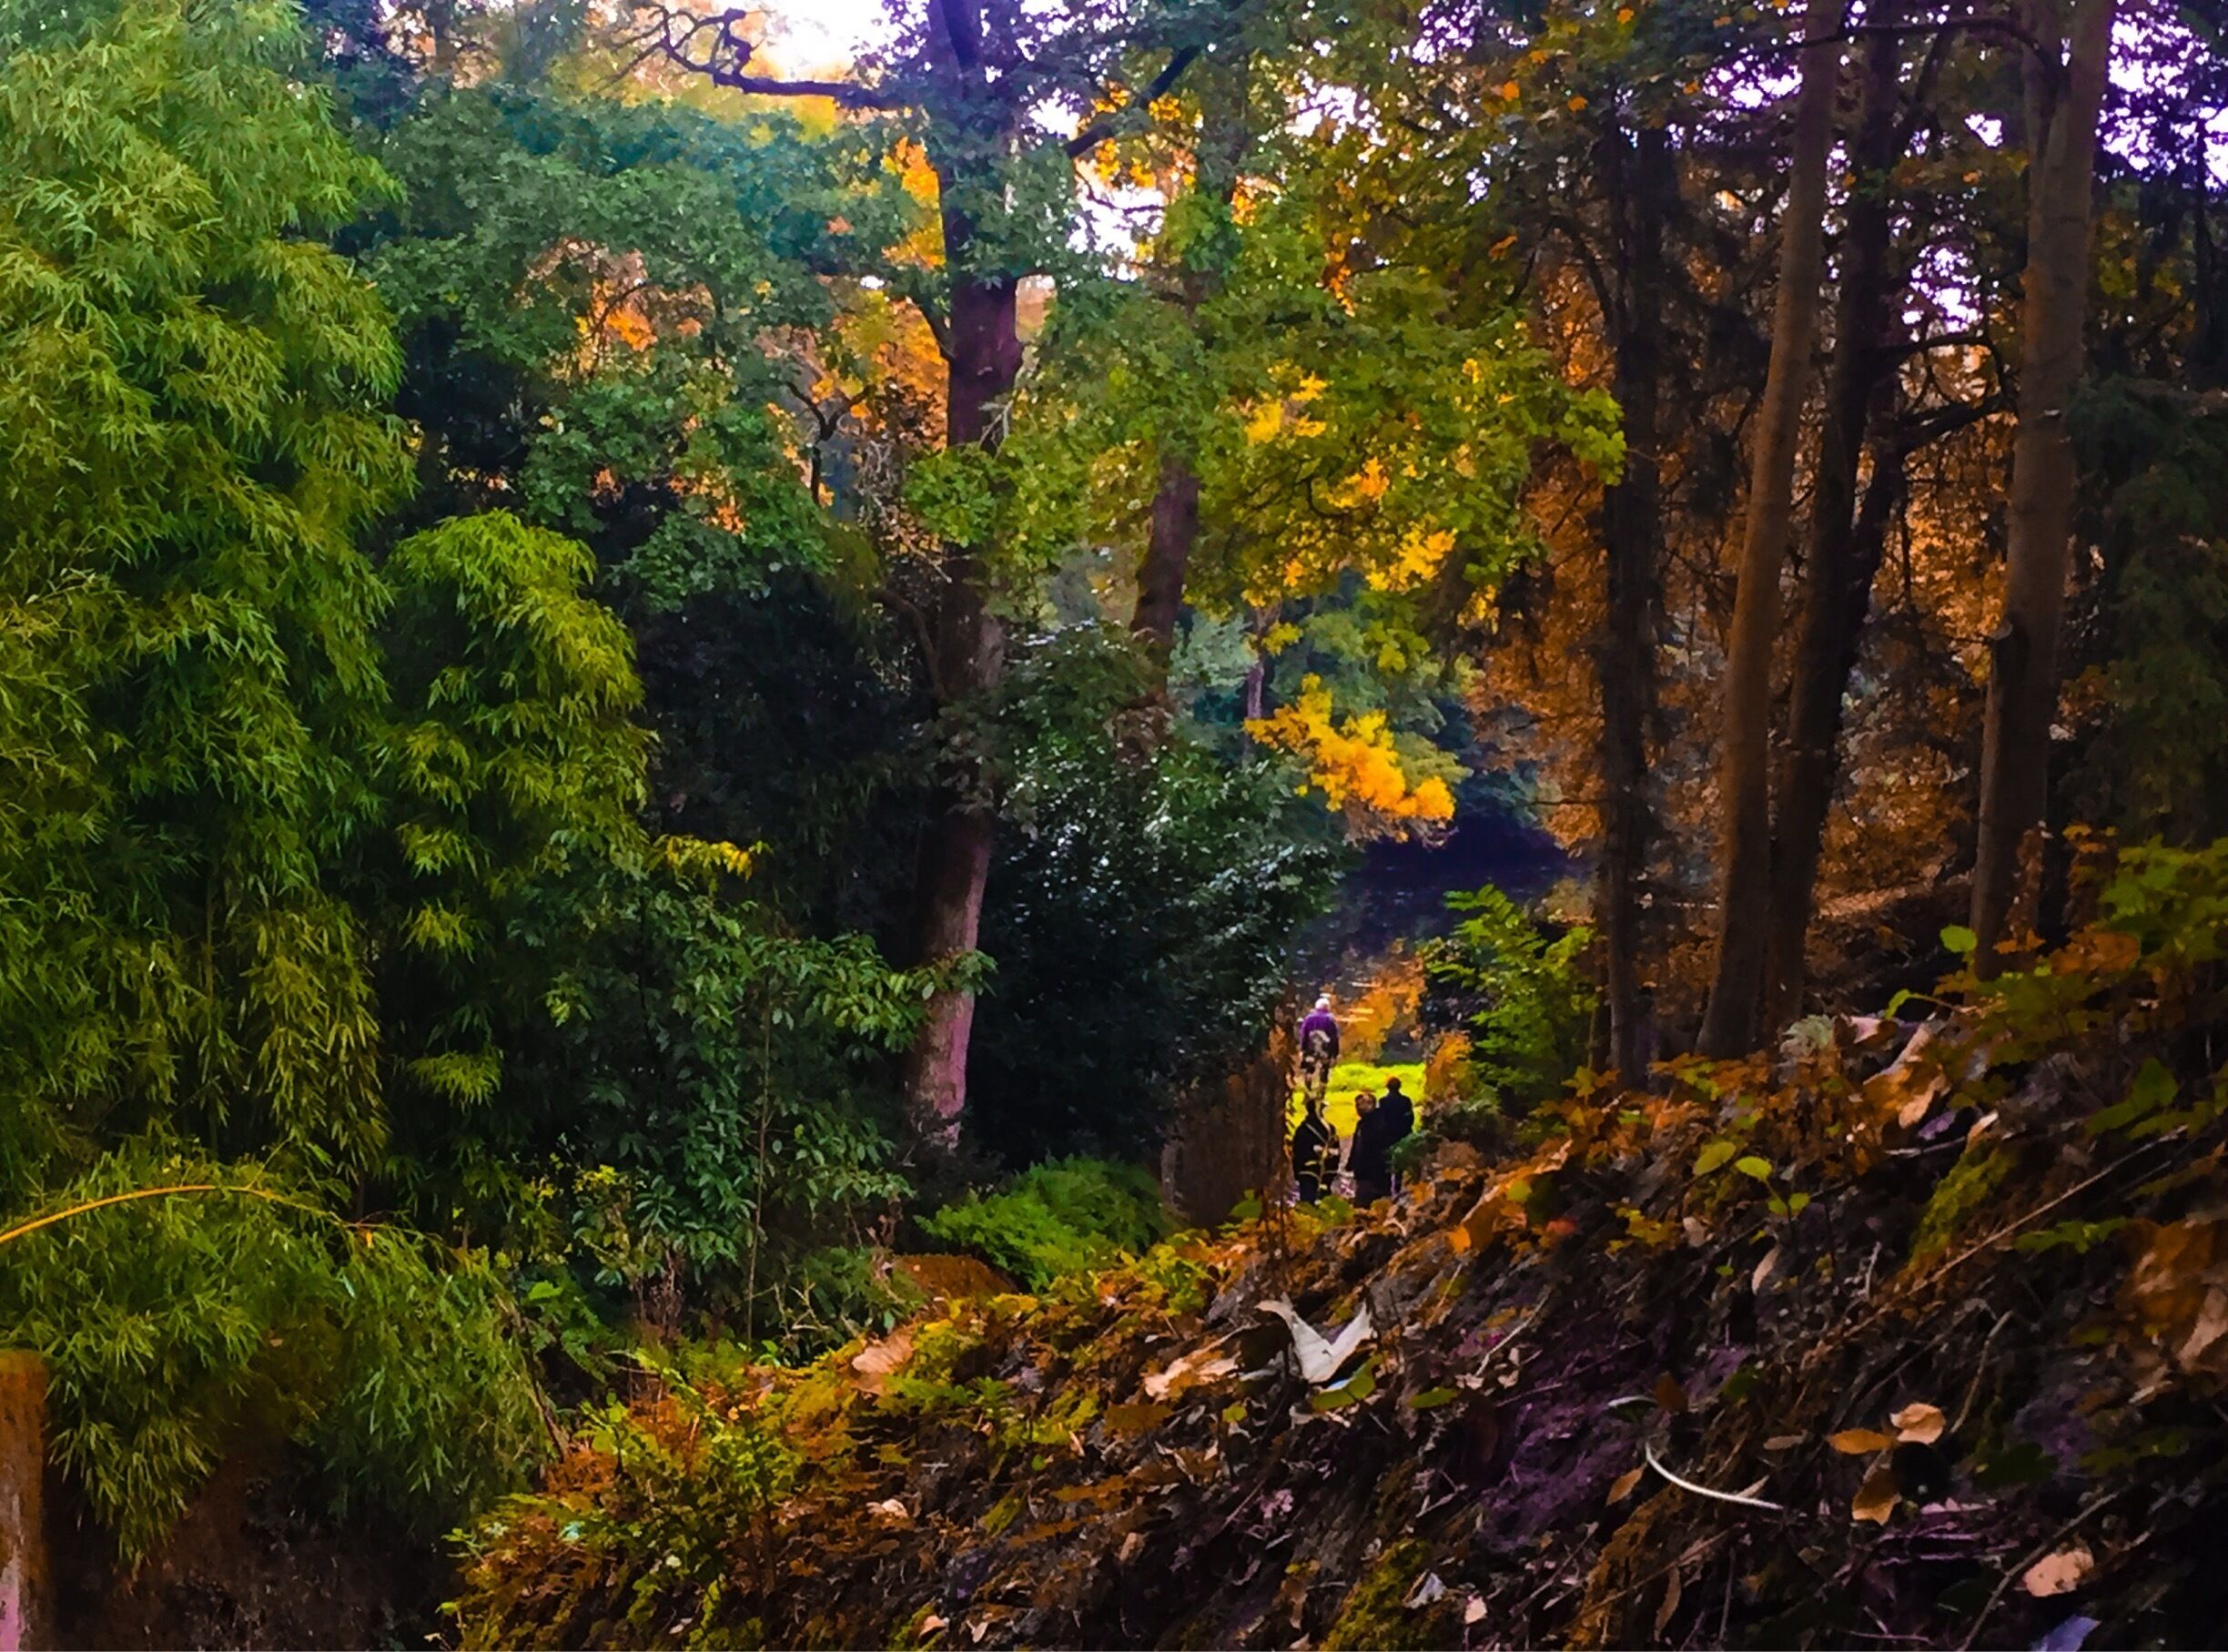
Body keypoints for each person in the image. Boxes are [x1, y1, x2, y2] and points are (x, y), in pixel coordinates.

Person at [1348, 1090, 1392, 1206]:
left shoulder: (1378, 1122)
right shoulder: (1362, 1124)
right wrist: (1351, 1162)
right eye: (1358, 1105)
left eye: (1364, 1104)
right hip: (1364, 1171)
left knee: (1367, 1202)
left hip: (1374, 1173)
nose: (1359, 1108)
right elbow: (1356, 1145)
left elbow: (1375, 1146)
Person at [1297, 995, 1340, 1107]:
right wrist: (1335, 1054)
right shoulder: (1330, 1019)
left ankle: (1307, 1095)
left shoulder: (1308, 1018)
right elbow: (1334, 1038)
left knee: (1308, 1071)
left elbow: (1303, 1035)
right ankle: (1321, 1096)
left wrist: (1302, 1049)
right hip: (1325, 1050)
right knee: (1324, 1072)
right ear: (1327, 1007)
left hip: (1310, 1049)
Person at [1377, 1075, 1416, 1194]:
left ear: (1387, 1087)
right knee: (1401, 1160)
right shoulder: (1406, 1101)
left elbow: (1381, 1119)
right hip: (1403, 1133)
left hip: (1388, 1134)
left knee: (1388, 1159)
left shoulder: (1383, 1102)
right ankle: (1398, 1186)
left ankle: (1388, 1186)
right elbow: (1410, 1118)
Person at [1291, 1101, 1337, 1204]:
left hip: (1318, 1172)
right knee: (1313, 1202)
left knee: (1317, 1202)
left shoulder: (1303, 1129)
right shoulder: (1305, 1130)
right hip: (1312, 1171)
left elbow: (1296, 1153)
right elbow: (1299, 1152)